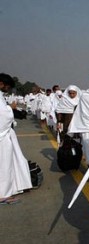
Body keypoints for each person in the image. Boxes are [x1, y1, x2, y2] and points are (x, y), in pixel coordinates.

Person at [0, 73, 32, 204]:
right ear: (2, 84)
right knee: (4, 164)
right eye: (7, 87)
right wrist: (10, 108)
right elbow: (3, 116)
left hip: (5, 135)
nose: (7, 90)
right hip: (2, 137)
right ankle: (3, 195)